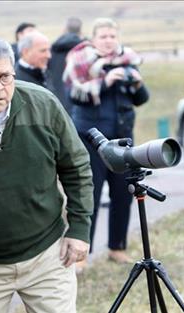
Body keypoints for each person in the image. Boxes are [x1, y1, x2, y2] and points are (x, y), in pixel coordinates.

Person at [0, 34, 93, 313]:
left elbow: (77, 166)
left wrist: (80, 229)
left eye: (5, 77)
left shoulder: (43, 105)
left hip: (46, 255)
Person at [63, 17, 149, 264]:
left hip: (122, 140)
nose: (109, 41)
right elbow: (74, 95)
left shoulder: (128, 62)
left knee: (124, 192)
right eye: (103, 36)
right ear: (92, 39)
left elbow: (141, 99)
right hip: (90, 139)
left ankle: (116, 247)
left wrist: (137, 83)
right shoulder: (79, 61)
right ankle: (82, 253)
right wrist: (103, 83)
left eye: (112, 36)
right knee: (90, 194)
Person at [49, 17, 84, 114]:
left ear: (64, 30)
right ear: (81, 31)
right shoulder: (86, 50)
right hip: (81, 101)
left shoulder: (52, 49)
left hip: (57, 100)